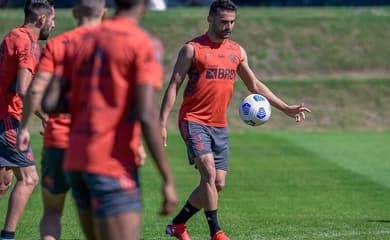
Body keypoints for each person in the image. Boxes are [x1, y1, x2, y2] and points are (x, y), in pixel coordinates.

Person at [160, 0, 312, 239]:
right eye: (223, 22)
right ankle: (216, 232)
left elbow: (255, 85)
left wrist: (285, 108)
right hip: (193, 120)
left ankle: (178, 225)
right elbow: (173, 86)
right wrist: (162, 123)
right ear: (210, 19)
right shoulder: (192, 49)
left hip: (219, 124)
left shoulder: (237, 52)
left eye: (232, 22)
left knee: (217, 183)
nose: (228, 26)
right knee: (208, 174)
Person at [40, 0, 178, 239]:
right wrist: (167, 178)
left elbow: (49, 102)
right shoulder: (142, 42)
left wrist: (88, 100)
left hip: (76, 160)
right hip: (111, 163)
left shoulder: (82, 40)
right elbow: (146, 114)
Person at [15, 1, 107, 239]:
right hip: (94, 141)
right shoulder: (112, 46)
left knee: (52, 211)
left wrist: (24, 128)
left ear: (75, 13)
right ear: (104, 13)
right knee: (96, 211)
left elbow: (34, 91)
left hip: (59, 140)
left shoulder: (57, 44)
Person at [0, 1, 55, 240]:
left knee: (3, 182)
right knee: (30, 178)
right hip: (6, 119)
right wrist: (45, 117)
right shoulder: (28, 43)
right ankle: (7, 237)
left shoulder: (12, 35)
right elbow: (23, 89)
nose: (53, 25)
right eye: (52, 20)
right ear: (42, 20)